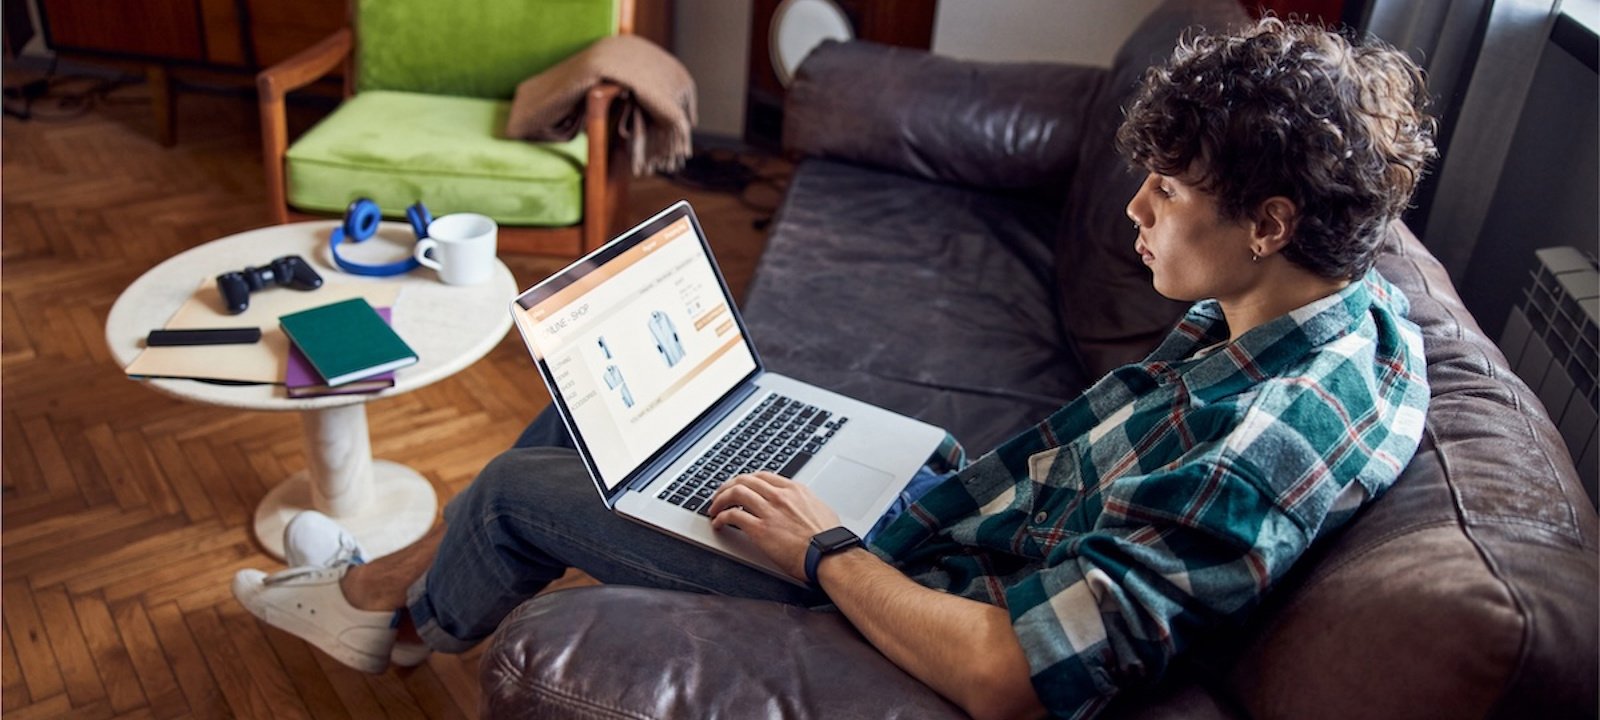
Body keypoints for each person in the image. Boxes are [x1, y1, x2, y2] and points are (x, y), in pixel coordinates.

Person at [234, 16, 1436, 719]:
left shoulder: (1253, 451)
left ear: (1271, 221)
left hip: (910, 590)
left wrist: (823, 547)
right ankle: (393, 586)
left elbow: (1011, 674)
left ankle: (385, 617)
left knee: (514, 489)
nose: (1136, 211)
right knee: (603, 419)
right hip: (955, 505)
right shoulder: (1354, 316)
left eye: (1167, 194)